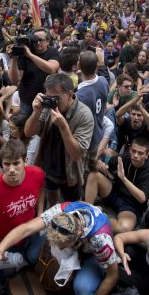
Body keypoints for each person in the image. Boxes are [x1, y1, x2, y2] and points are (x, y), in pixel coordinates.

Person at [0, 200, 120, 295]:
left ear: (77, 236)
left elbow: (112, 276)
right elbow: (27, 228)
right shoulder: (60, 211)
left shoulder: (101, 240)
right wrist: (0, 248)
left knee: (82, 289)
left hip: (92, 253)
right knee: (32, 255)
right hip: (72, 239)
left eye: (61, 246)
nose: (57, 248)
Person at [24, 73, 93, 204]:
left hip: (70, 173)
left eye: (56, 98)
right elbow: (28, 132)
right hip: (48, 168)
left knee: (72, 208)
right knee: (52, 204)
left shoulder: (84, 114)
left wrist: (63, 126)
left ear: (70, 94)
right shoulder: (48, 106)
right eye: (48, 97)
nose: (52, 102)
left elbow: (76, 154)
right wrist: (36, 111)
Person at [0, 139, 45, 259]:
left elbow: (41, 188)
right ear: (2, 163)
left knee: (33, 259)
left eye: (16, 163)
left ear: (25, 161)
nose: (11, 170)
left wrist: (40, 213)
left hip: (32, 233)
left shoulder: (37, 174)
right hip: (7, 242)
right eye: (7, 164)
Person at [85, 137, 149, 233]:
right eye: (133, 151)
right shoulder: (125, 157)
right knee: (94, 175)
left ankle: (96, 220)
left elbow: (142, 197)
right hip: (115, 192)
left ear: (147, 155)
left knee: (123, 228)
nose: (135, 155)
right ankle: (87, 211)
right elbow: (109, 164)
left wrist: (123, 178)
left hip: (131, 205)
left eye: (140, 153)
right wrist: (102, 165)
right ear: (129, 150)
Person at [8, 28, 60, 115]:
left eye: (41, 40)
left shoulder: (52, 52)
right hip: (26, 103)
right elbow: (15, 79)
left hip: (46, 102)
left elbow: (51, 69)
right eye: (35, 40)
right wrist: (13, 58)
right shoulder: (24, 54)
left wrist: (30, 55)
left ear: (47, 41)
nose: (38, 43)